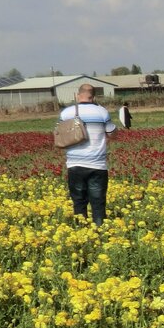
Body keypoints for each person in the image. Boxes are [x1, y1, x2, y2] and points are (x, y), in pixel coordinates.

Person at [59, 83, 116, 226]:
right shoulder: (102, 112)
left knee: (78, 202)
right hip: (97, 165)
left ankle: (81, 232)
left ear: (78, 95)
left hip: (75, 164)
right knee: (98, 203)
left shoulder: (66, 113)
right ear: (94, 96)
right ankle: (100, 231)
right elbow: (112, 134)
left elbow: (59, 134)